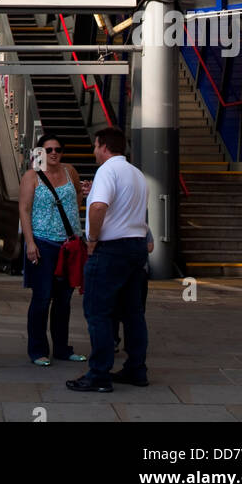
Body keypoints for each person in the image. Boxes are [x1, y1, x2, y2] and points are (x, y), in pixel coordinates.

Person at [66, 126, 150, 394]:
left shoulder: (107, 171)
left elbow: (99, 206)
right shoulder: (137, 174)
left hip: (111, 249)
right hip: (136, 247)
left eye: (94, 146)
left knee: (98, 312)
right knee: (133, 314)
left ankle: (99, 374)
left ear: (103, 146)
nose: (93, 151)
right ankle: (137, 369)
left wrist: (92, 237)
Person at [18, 135, 89, 365]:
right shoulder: (32, 176)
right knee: (42, 297)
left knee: (64, 299)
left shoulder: (70, 171)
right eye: (48, 150)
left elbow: (77, 194)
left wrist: (71, 214)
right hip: (43, 243)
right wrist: (30, 242)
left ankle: (62, 348)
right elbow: (24, 209)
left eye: (58, 149)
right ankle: (37, 350)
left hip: (69, 244)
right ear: (41, 152)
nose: (54, 154)